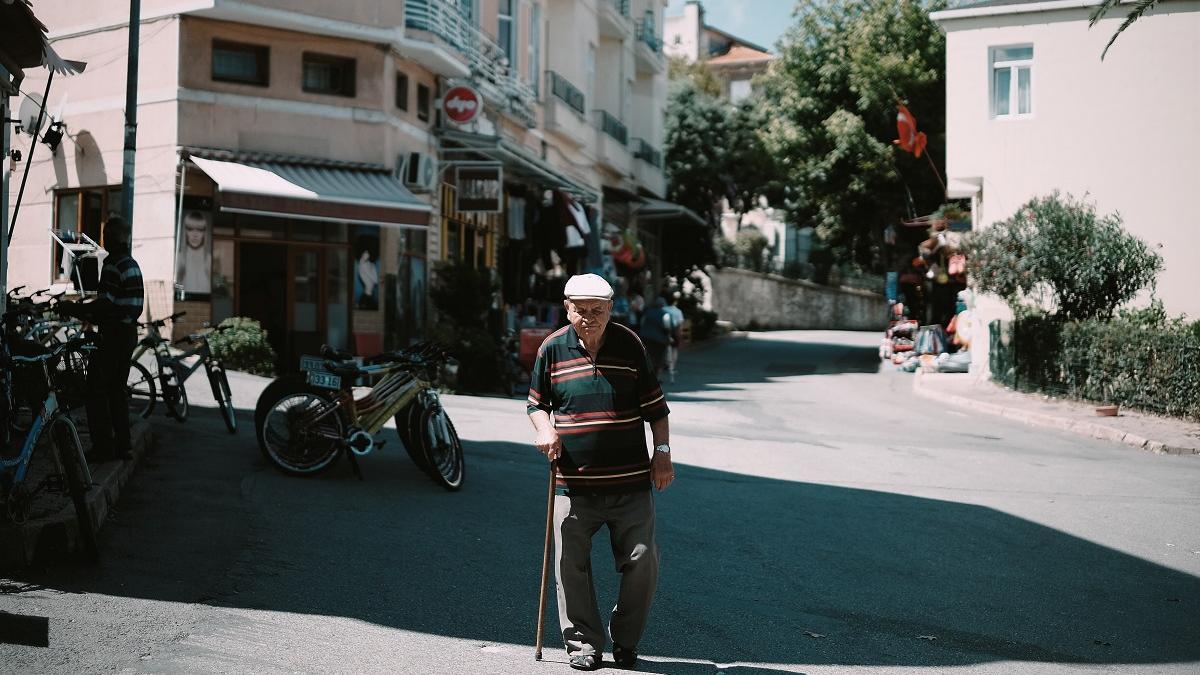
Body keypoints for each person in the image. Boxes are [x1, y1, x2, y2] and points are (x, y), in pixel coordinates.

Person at [527, 273, 674, 671]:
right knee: (568, 564)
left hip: (630, 483)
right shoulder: (552, 348)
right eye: (581, 311)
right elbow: (537, 404)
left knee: (642, 561)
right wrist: (545, 430)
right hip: (572, 483)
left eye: (598, 311)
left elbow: (657, 410)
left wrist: (662, 454)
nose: (589, 318)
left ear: (611, 309)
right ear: (567, 309)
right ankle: (583, 644)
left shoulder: (630, 345)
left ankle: (626, 641)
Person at [59, 216, 144, 461]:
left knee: (96, 391)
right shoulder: (132, 264)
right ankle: (123, 446)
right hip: (128, 334)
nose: (103, 239)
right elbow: (123, 304)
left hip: (113, 336)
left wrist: (74, 309)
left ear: (111, 238)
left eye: (105, 234)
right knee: (117, 391)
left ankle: (103, 448)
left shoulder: (112, 264)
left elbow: (106, 304)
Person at [175, 210, 211, 294]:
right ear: (185, 231)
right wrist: (181, 288)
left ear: (204, 232)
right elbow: (174, 286)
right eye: (190, 229)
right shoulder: (178, 257)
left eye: (200, 229)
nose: (195, 234)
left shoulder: (209, 259)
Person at [637, 296, 670, 375]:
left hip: (645, 337)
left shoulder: (648, 311)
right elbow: (667, 327)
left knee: (647, 358)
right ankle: (656, 379)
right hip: (659, 340)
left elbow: (642, 323)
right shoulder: (665, 314)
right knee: (659, 360)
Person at [661, 293, 684, 384]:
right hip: (674, 331)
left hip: (664, 331)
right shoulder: (678, 311)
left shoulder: (663, 309)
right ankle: (672, 366)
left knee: (664, 349)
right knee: (674, 350)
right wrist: (680, 335)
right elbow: (680, 325)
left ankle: (666, 363)